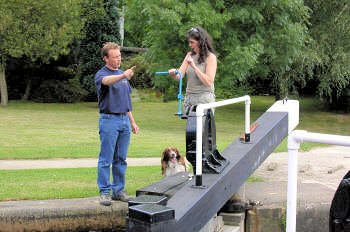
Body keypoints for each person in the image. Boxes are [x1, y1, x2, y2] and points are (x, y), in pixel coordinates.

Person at [95, 42, 139, 206]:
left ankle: (118, 191)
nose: (118, 59)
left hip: (124, 121)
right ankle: (105, 192)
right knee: (106, 159)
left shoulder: (123, 76)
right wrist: (123, 76)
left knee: (121, 159)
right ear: (106, 58)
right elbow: (107, 81)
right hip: (109, 120)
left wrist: (132, 122)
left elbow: (126, 103)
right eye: (115, 57)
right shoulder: (101, 74)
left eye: (119, 56)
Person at [168, 26, 217, 113]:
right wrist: (173, 73)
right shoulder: (189, 55)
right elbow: (179, 76)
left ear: (200, 42)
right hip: (189, 99)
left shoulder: (210, 57)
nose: (189, 45)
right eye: (189, 42)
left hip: (204, 99)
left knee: (201, 127)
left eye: (192, 42)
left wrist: (194, 66)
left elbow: (209, 82)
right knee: (191, 127)